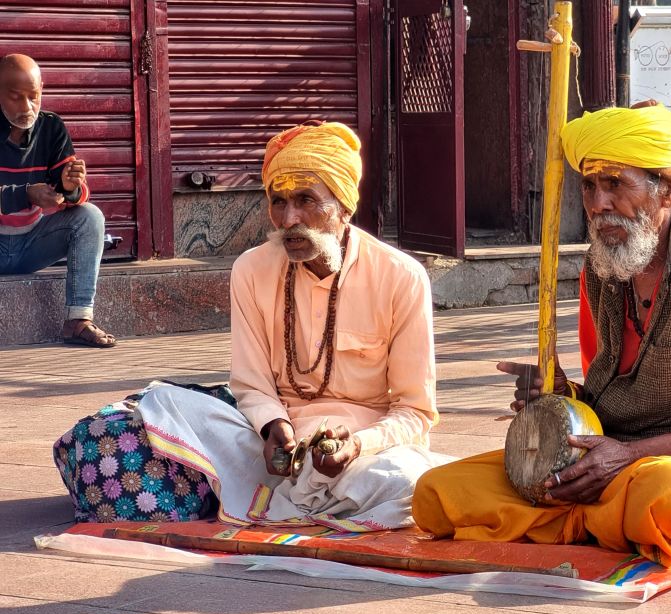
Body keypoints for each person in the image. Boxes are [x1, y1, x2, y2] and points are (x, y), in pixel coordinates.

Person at [412, 102, 671, 567]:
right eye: (590, 187)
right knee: (436, 494)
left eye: (615, 184)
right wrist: (560, 394)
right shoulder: (606, 261)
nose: (598, 205)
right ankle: (602, 522)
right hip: (602, 455)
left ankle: (582, 519)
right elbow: (602, 393)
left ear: (668, 190)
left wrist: (631, 455)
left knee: (662, 496)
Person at [54, 121, 443, 528]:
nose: (289, 219)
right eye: (278, 201)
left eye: (306, 200)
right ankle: (296, 496)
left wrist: (359, 445)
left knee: (406, 482)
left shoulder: (401, 276)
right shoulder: (251, 269)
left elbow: (415, 412)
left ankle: (277, 496)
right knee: (167, 403)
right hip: (270, 449)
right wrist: (273, 425)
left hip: (364, 452)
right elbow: (251, 384)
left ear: (344, 207)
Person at [0, 53, 115, 347]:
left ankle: (78, 320)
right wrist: (26, 194)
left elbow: (75, 195)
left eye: (34, 96)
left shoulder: (51, 128)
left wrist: (69, 187)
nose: (27, 107)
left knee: (90, 217)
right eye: (15, 97)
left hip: (31, 244)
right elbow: (28, 193)